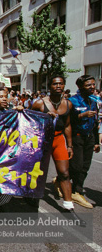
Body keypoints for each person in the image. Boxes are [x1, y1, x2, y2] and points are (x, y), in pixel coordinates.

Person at [32, 75, 85, 225]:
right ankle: (32, 198)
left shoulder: (68, 104)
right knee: (38, 173)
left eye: (61, 84)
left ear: (64, 86)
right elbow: (28, 121)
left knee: (64, 173)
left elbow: (68, 125)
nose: (58, 86)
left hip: (58, 139)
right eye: (55, 84)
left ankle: (69, 207)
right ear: (49, 87)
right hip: (42, 141)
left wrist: (69, 145)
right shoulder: (39, 103)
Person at [68, 75, 100, 208]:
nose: (92, 87)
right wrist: (82, 115)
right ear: (80, 87)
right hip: (77, 136)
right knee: (77, 165)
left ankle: (76, 190)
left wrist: (96, 141)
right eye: (88, 85)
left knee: (85, 166)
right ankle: (65, 182)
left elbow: (96, 122)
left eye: (93, 84)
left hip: (89, 137)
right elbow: (67, 121)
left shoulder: (93, 101)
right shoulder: (72, 101)